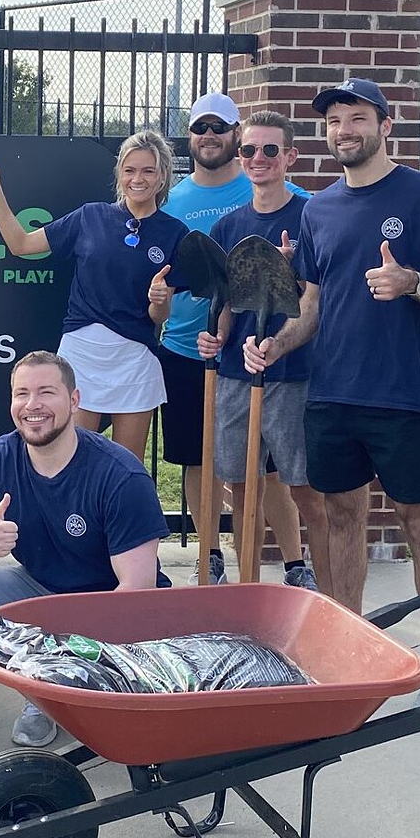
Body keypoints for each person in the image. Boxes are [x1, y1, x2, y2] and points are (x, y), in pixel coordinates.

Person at [243, 78, 420, 707]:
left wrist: (413, 282)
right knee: (341, 519)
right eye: (335, 120)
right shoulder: (318, 210)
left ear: (385, 125)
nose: (344, 130)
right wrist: (277, 345)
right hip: (331, 396)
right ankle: (348, 653)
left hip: (403, 395)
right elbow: (313, 304)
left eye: (357, 117)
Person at [0, 351, 170, 746]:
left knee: (121, 713)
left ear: (74, 400)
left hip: (109, 601)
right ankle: (42, 696)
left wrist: (74, 646)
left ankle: (85, 689)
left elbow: (137, 590)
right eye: (22, 394)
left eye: (47, 392)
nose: (32, 405)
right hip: (40, 587)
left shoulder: (120, 475)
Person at [0, 130, 187, 460]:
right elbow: (21, 244)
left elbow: (158, 317)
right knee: (71, 460)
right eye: (130, 170)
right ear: (119, 174)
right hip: (82, 354)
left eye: (148, 171)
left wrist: (160, 301)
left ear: (162, 177)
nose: (138, 179)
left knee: (127, 466)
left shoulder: (174, 233)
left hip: (135, 358)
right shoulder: (90, 216)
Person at [195, 112, 324, 591]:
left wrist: (290, 276)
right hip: (235, 372)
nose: (258, 159)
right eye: (249, 150)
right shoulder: (230, 226)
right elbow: (226, 303)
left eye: (270, 150)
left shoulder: (312, 217)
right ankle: (247, 585)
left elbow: (316, 299)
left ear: (290, 156)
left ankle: (311, 574)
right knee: (242, 483)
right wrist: (216, 336)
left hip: (293, 374)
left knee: (302, 486)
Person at [158, 93, 250, 584]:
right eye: (200, 128)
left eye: (220, 127)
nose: (209, 136)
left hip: (249, 350)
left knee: (254, 465)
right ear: (189, 136)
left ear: (236, 133)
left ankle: (261, 560)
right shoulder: (171, 201)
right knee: (197, 459)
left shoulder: (261, 187)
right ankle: (209, 555)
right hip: (184, 348)